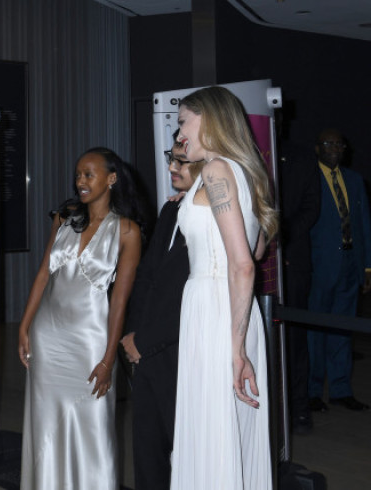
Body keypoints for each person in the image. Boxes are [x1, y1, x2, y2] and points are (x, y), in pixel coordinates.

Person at [19, 147, 145, 489]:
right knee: (46, 424)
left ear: (111, 178)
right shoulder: (65, 218)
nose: (81, 181)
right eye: (78, 175)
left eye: (89, 174)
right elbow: (43, 275)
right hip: (47, 335)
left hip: (90, 340)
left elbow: (119, 302)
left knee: (93, 425)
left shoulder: (128, 231)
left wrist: (108, 359)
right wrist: (24, 326)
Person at [171, 86, 276, 489]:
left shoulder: (216, 171)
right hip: (229, 311)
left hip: (218, 315)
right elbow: (258, 247)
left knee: (213, 434)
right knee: (225, 432)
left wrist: (236, 348)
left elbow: (244, 264)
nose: (179, 134)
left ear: (209, 119)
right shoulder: (239, 171)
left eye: (184, 122)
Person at [121, 135, 203, 490]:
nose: (171, 167)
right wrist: (132, 335)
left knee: (189, 454)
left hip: (183, 353)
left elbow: (196, 297)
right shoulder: (171, 210)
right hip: (146, 352)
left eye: (181, 160)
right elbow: (147, 277)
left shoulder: (216, 219)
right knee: (147, 451)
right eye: (172, 157)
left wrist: (145, 341)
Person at [307, 129, 371, 412]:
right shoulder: (308, 178)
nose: (334, 148)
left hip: (350, 265)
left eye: (339, 144)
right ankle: (312, 391)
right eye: (328, 143)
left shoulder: (355, 180)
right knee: (314, 331)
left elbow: (364, 224)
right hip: (319, 266)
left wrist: (367, 266)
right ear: (317, 148)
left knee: (343, 330)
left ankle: (341, 389)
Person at [278, 153, 321, 434]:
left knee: (295, 341)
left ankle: (299, 408)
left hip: (293, 261)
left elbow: (310, 208)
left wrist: (282, 240)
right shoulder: (251, 154)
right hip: (257, 262)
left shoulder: (302, 162)